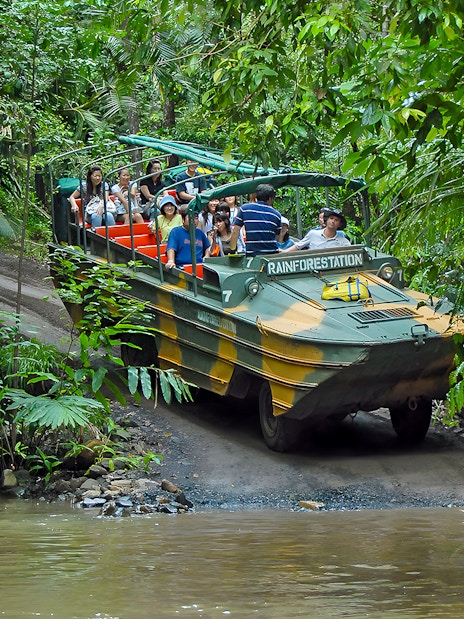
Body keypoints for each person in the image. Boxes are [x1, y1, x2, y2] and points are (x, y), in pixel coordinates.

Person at [229, 184, 282, 256]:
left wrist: (232, 250)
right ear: (270, 198)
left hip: (252, 255)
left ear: (256, 196)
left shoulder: (245, 209)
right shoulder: (276, 214)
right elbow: (277, 237)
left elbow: (235, 231)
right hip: (272, 255)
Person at [283, 208, 350, 252]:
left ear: (340, 224)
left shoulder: (344, 243)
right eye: (331, 218)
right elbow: (298, 246)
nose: (333, 221)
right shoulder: (313, 234)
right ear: (326, 220)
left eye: (336, 220)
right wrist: (283, 252)